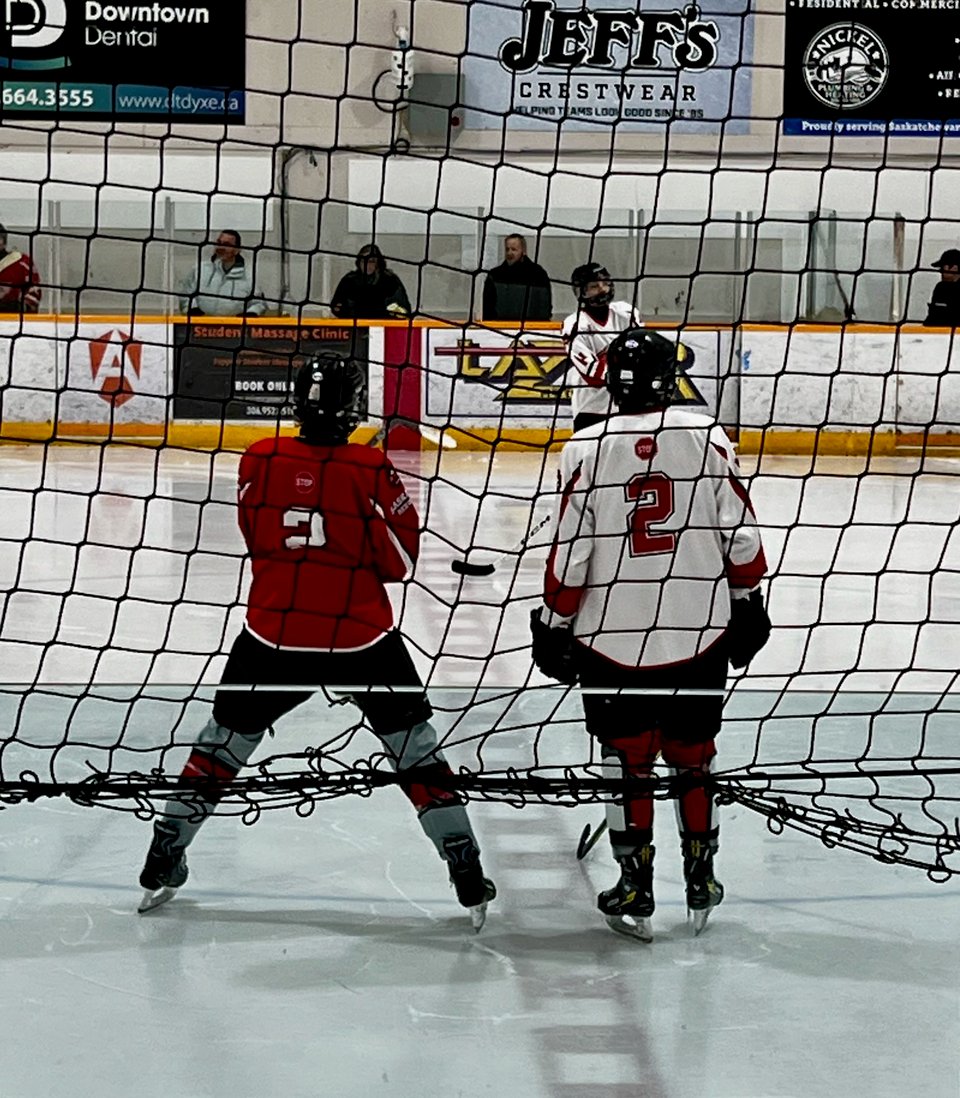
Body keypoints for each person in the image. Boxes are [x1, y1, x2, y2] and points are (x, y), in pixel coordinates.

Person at [138, 354, 496, 929]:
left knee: (221, 744)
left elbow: (257, 537)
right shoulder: (371, 466)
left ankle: (164, 854)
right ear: (352, 407)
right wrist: (362, 497)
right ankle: (464, 865)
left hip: (274, 631)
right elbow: (400, 563)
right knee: (415, 749)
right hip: (361, 638)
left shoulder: (260, 456)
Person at [529, 327, 770, 941]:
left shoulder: (582, 448)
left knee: (625, 761)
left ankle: (635, 884)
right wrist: (746, 601)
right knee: (694, 756)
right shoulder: (709, 435)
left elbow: (570, 553)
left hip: (609, 636)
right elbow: (739, 532)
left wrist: (553, 623)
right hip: (699, 628)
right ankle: (702, 874)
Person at [562, 262, 642, 433]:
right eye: (594, 286)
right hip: (591, 410)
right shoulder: (575, 325)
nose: (603, 289)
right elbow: (595, 377)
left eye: (605, 284)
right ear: (581, 292)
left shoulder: (626, 313)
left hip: (627, 407)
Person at [178, 229, 266, 317]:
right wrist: (192, 310)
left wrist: (250, 314)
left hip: (234, 328)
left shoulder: (249, 276)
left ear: (237, 250)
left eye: (226, 245)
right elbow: (186, 295)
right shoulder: (200, 270)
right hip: (200, 326)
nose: (220, 247)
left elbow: (259, 304)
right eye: (219, 242)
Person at [481, 233, 553, 322]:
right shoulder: (495, 275)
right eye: (507, 249)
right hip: (500, 329)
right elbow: (488, 307)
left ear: (523, 251)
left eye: (514, 249)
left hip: (531, 329)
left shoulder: (537, 274)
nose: (509, 253)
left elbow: (544, 306)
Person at [331, 243, 411, 319]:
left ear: (378, 263)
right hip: (355, 328)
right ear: (359, 262)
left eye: (371, 261)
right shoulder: (349, 281)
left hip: (382, 327)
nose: (367, 265)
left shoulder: (390, 281)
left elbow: (404, 310)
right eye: (363, 261)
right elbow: (336, 307)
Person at [0, 224, 41, 313]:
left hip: (14, 320)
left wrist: (19, 306)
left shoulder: (22, 263)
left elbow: (34, 294)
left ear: (3, 240)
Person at [923, 248, 960, 327]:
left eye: (942, 268)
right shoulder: (941, 288)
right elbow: (932, 318)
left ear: (954, 267)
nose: (940, 272)